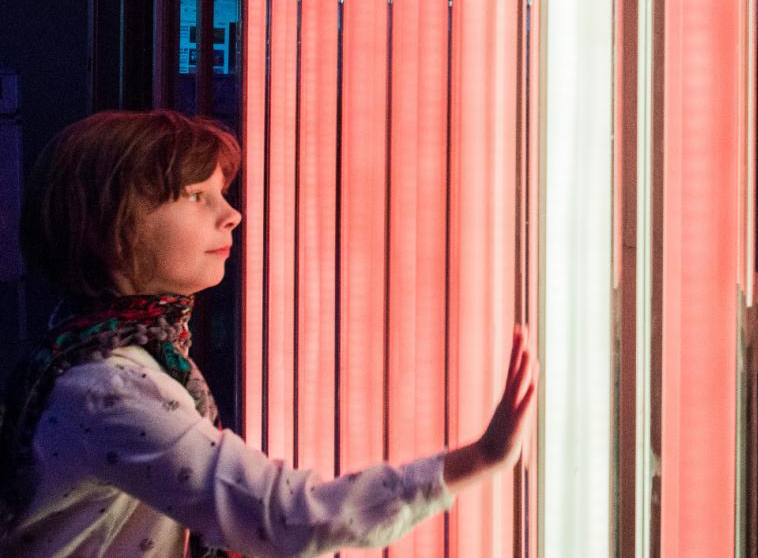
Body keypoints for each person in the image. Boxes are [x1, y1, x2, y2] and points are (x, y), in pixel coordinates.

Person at [0, 110, 538, 558]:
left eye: (222, 192)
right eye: (196, 195)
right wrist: (479, 459)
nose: (231, 214)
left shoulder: (93, 352)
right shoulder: (109, 390)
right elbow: (282, 518)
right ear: (113, 222)